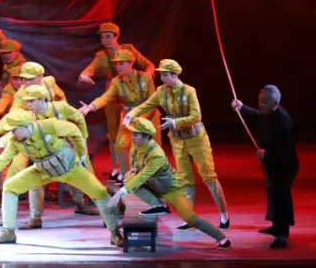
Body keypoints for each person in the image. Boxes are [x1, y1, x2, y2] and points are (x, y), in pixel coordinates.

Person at [0, 109, 122, 247]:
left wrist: (82, 154)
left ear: (26, 126)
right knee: (10, 187)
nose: (12, 133)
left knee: (100, 192)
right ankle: (8, 232)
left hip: (71, 169)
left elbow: (74, 130)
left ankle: (115, 233)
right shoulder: (15, 141)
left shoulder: (49, 125)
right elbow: (0, 162)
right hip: (42, 171)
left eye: (15, 130)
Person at [125, 59, 228, 229]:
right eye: (161, 75)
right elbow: (146, 105)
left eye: (165, 75)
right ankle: (189, 218)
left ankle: (224, 214)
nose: (162, 78)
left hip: (196, 139)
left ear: (175, 75)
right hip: (178, 140)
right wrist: (132, 114)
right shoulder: (161, 91)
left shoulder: (189, 91)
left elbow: (196, 116)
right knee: (185, 179)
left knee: (208, 176)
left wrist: (174, 123)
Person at [0, 84, 98, 227]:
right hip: (42, 155)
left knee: (84, 178)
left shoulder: (60, 107)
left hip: (66, 151)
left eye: (31, 101)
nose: (28, 104)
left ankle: (90, 206)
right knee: (30, 181)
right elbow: (14, 128)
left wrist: (83, 141)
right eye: (27, 101)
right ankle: (33, 218)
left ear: (42, 99)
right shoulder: (30, 116)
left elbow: (78, 119)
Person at [109, 117, 231, 249]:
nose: (132, 137)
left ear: (146, 136)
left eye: (136, 134)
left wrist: (120, 193)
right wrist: (134, 169)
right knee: (129, 178)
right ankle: (158, 205)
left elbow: (143, 176)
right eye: (132, 133)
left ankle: (221, 238)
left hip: (170, 188)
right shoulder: (137, 146)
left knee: (189, 218)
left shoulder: (156, 154)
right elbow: (135, 161)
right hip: (154, 183)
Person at [78, 22, 155, 180]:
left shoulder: (129, 50)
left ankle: (140, 166)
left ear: (116, 36)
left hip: (133, 92)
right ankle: (118, 167)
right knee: (114, 132)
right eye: (102, 37)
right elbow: (89, 70)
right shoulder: (101, 56)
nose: (105, 40)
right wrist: (84, 76)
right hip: (114, 93)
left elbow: (148, 65)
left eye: (108, 36)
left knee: (139, 129)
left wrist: (147, 76)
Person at [232, 85, 298, 249]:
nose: (260, 104)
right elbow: (256, 115)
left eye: (263, 102)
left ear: (274, 103)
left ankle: (282, 234)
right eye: (259, 100)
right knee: (273, 194)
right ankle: (276, 226)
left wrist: (266, 155)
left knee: (281, 197)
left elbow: (286, 151)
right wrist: (241, 108)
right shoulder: (268, 113)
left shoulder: (283, 121)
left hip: (284, 165)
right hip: (273, 164)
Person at [0, 25, 26, 94]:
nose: (6, 56)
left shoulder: (20, 68)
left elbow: (12, 89)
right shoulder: (11, 60)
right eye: (4, 53)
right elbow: (2, 41)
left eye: (9, 53)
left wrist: (0, 88)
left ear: (17, 52)